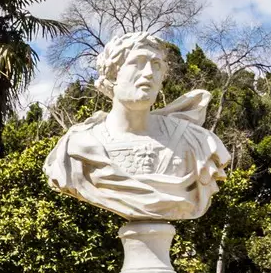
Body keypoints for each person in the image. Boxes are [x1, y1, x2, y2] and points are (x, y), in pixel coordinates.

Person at [42, 31, 231, 223]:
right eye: (138, 62)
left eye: (156, 65)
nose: (149, 73)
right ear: (113, 73)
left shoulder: (195, 141)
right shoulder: (77, 147)